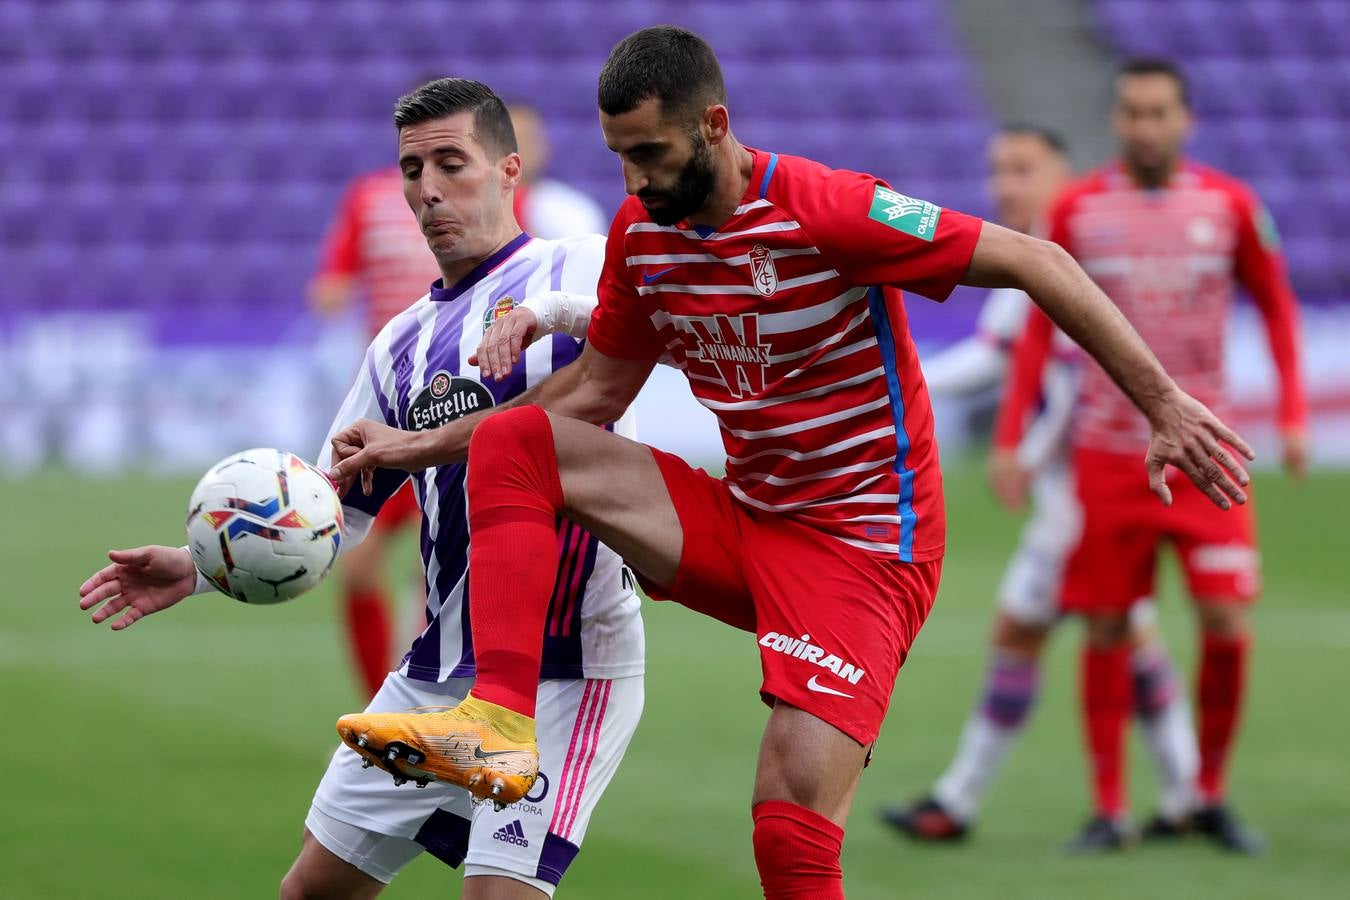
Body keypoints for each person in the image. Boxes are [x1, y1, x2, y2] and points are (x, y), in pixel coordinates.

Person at [325, 29, 1251, 899]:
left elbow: (1040, 260)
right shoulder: (645, 237)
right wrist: (417, 447)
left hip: (862, 551)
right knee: (516, 440)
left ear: (713, 127)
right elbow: (590, 395)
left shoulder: (826, 208)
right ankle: (497, 723)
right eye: (618, 155)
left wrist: (1162, 402)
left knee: (788, 822)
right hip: (747, 519)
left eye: (649, 153)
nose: (632, 180)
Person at [77, 78, 645, 900]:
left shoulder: (578, 263)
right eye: (413, 168)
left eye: (452, 163)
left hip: (567, 667)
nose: (429, 188)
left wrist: (553, 314)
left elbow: (651, 331)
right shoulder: (398, 346)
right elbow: (330, 510)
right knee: (309, 893)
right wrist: (200, 567)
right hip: (436, 671)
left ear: (509, 169)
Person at [997, 58, 1306, 853]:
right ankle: (1110, 808)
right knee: (1104, 630)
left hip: (1208, 454)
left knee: (1226, 621)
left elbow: (1275, 306)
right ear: (1117, 120)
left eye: (1159, 112)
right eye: (1132, 113)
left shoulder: (1231, 205)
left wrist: (1295, 415)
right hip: (1109, 458)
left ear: (1186, 120)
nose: (1145, 126)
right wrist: (1009, 440)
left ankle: (1207, 794)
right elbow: (1037, 329)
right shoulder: (1077, 209)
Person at [881, 125, 1198, 841]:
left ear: (1066, 172)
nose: (1005, 187)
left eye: (1024, 169)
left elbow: (1074, 378)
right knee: (1123, 632)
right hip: (1072, 495)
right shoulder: (1031, 258)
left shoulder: (1077, 254)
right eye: (998, 171)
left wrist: (906, 389)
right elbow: (1001, 355)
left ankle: (959, 802)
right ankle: (1185, 794)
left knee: (1036, 630)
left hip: (1086, 497)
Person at [309, 105, 445, 699]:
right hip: (386, 408)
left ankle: (432, 703)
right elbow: (330, 288)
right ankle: (375, 711)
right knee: (357, 563)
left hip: (457, 404)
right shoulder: (368, 199)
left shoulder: (470, 201)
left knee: (441, 568)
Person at [508, 102, 608, 240]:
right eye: (508, 139)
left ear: (544, 146)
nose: (519, 147)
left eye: (526, 138)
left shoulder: (569, 210)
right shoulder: (473, 208)